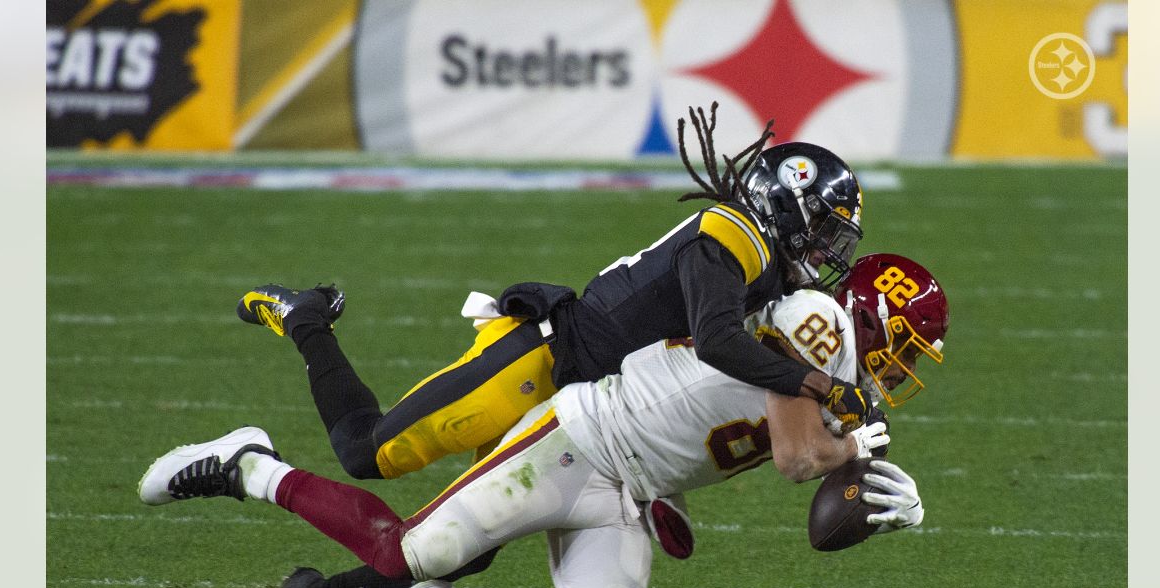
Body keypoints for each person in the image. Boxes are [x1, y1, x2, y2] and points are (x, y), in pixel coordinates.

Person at [140, 253, 949, 588]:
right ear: (872, 317)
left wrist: (874, 491)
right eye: (907, 347)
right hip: (581, 438)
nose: (902, 369)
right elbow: (798, 457)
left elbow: (820, 494)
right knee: (417, 546)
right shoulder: (821, 323)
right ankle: (250, 465)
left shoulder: (838, 368)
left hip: (633, 488)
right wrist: (866, 460)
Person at [234, 103, 868, 484]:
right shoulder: (730, 234)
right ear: (787, 204)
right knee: (367, 454)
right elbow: (717, 342)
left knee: (473, 544)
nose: (825, 255)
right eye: (825, 234)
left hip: (585, 405)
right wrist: (816, 382)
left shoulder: (764, 271)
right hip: (541, 360)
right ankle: (306, 320)